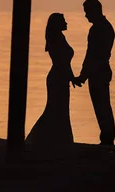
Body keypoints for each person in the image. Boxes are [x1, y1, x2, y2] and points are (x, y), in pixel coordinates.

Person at [26, 13, 82, 147]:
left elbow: (65, 62)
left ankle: (57, 139)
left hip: (60, 76)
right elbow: (62, 61)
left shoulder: (59, 37)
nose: (66, 23)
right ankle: (42, 138)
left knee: (59, 109)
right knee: (55, 108)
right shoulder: (57, 38)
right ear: (57, 24)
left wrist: (71, 77)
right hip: (58, 77)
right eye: (64, 21)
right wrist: (71, 77)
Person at [74, 0, 115, 146]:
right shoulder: (105, 27)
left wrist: (83, 75)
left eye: (87, 12)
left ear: (94, 11)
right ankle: (107, 136)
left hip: (98, 71)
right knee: (103, 105)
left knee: (101, 105)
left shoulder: (98, 29)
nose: (86, 16)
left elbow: (92, 54)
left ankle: (107, 138)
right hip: (101, 70)